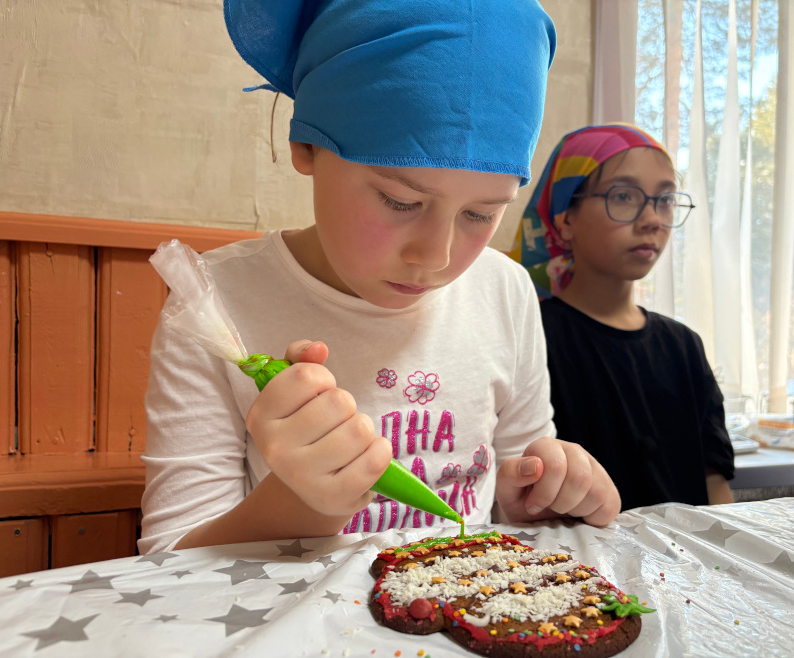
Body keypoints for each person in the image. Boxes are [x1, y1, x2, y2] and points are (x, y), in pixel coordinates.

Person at [138, 0, 622, 555]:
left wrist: (537, 495)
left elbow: (514, 485)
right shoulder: (215, 306)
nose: (435, 257)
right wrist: (302, 503)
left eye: (481, 214)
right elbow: (168, 561)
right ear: (307, 146)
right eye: (400, 201)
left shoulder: (505, 292)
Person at [510, 123, 735, 511]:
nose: (652, 220)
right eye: (624, 196)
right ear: (565, 218)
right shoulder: (532, 337)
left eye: (665, 199)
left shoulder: (684, 345)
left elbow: (714, 483)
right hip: (577, 550)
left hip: (684, 550)